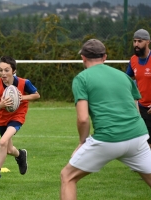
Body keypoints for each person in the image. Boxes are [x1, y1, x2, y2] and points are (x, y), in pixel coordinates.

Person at [60, 39, 151, 200]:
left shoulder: (81, 79)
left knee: (68, 176)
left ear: (83, 57)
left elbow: (82, 119)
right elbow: (135, 109)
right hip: (138, 136)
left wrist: (82, 142)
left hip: (108, 139)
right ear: (105, 57)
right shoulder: (123, 77)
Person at [0, 56, 40, 188]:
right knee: (8, 149)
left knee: (2, 142)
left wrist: (22, 97)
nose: (3, 73)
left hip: (17, 117)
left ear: (13, 71)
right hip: (2, 119)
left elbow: (37, 95)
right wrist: (1, 105)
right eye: (0, 70)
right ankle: (20, 155)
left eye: (6, 70)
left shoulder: (24, 82)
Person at [126, 28, 151, 148]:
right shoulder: (133, 60)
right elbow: (126, 80)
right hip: (141, 108)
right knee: (144, 141)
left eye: (139, 41)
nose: (136, 44)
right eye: (134, 41)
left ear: (148, 42)